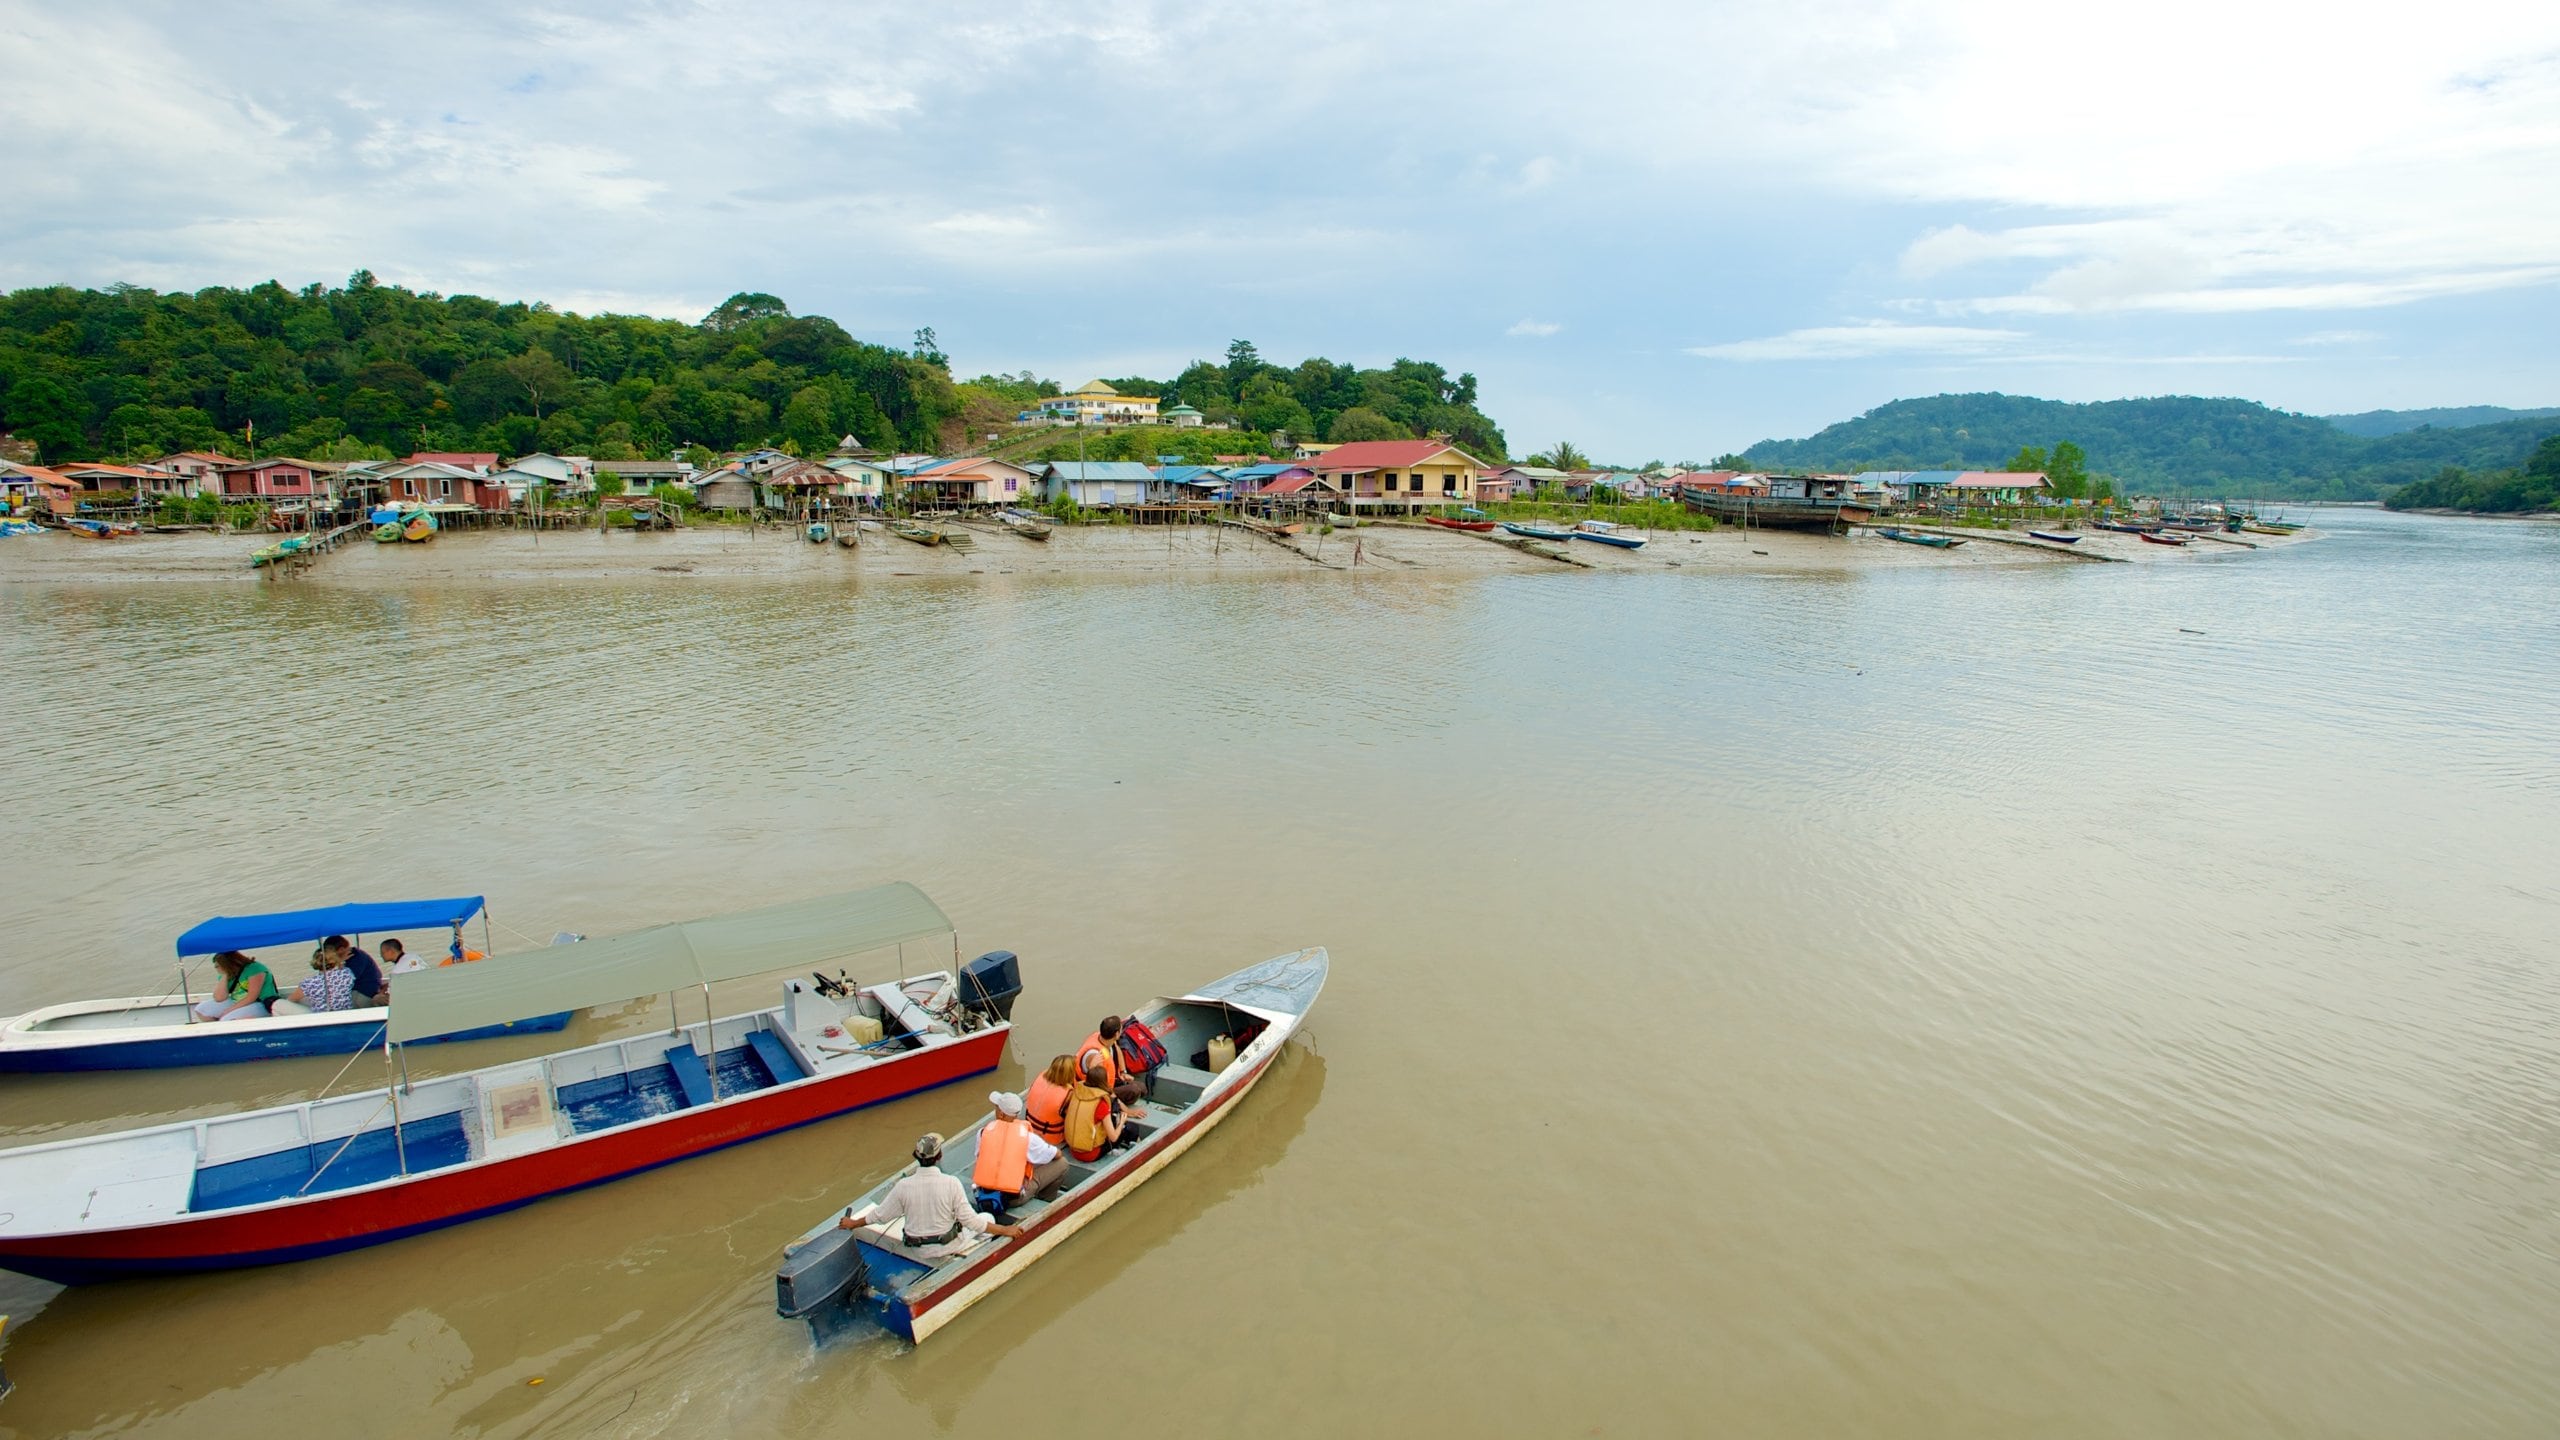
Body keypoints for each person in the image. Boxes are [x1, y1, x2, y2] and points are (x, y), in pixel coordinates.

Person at [838, 1133, 1027, 1259]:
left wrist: (852, 1223)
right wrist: (1005, 1230)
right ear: (939, 1157)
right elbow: (973, 1222)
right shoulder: (951, 1183)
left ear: (917, 1157)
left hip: (918, 1250)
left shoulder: (903, 1186)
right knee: (986, 1217)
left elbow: (880, 1215)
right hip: (946, 1247)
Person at [973, 1091, 1066, 1215]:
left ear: (1000, 1114)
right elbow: (1057, 1154)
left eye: (996, 1108)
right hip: (1012, 1199)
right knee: (1062, 1163)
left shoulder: (983, 1132)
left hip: (983, 1194)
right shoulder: (1028, 1138)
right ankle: (1045, 1199)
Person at [1062, 1057, 1126, 1163]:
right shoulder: (1101, 1104)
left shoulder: (1076, 1093)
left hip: (1073, 1150)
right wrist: (1121, 1122)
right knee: (1126, 1130)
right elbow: (1113, 1137)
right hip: (1090, 1154)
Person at [1077, 1017, 1146, 1109]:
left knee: (1142, 1088)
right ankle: (1116, 1109)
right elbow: (1101, 1089)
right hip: (1101, 1092)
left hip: (1111, 1082)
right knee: (1134, 1091)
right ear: (1117, 1034)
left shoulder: (1105, 1039)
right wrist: (1127, 1111)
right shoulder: (1096, 1057)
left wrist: (1123, 1072)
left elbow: (1117, 1049)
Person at [193, 950, 279, 1022]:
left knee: (227, 1019)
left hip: (260, 1002)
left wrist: (229, 1010)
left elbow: (252, 997)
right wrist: (225, 975)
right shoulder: (227, 972)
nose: (216, 968)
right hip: (237, 1000)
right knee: (201, 1009)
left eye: (218, 966)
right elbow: (219, 998)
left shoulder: (255, 969)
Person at [1024, 1055, 1079, 1151]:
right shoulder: (1068, 1094)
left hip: (1029, 1129)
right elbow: (1073, 1120)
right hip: (1050, 1138)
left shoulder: (1041, 1076)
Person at [325, 935, 385, 1007]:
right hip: (358, 990)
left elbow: (344, 980)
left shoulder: (357, 958)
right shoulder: (350, 956)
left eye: (330, 953)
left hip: (365, 992)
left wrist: (340, 962)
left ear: (341, 949)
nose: (328, 956)